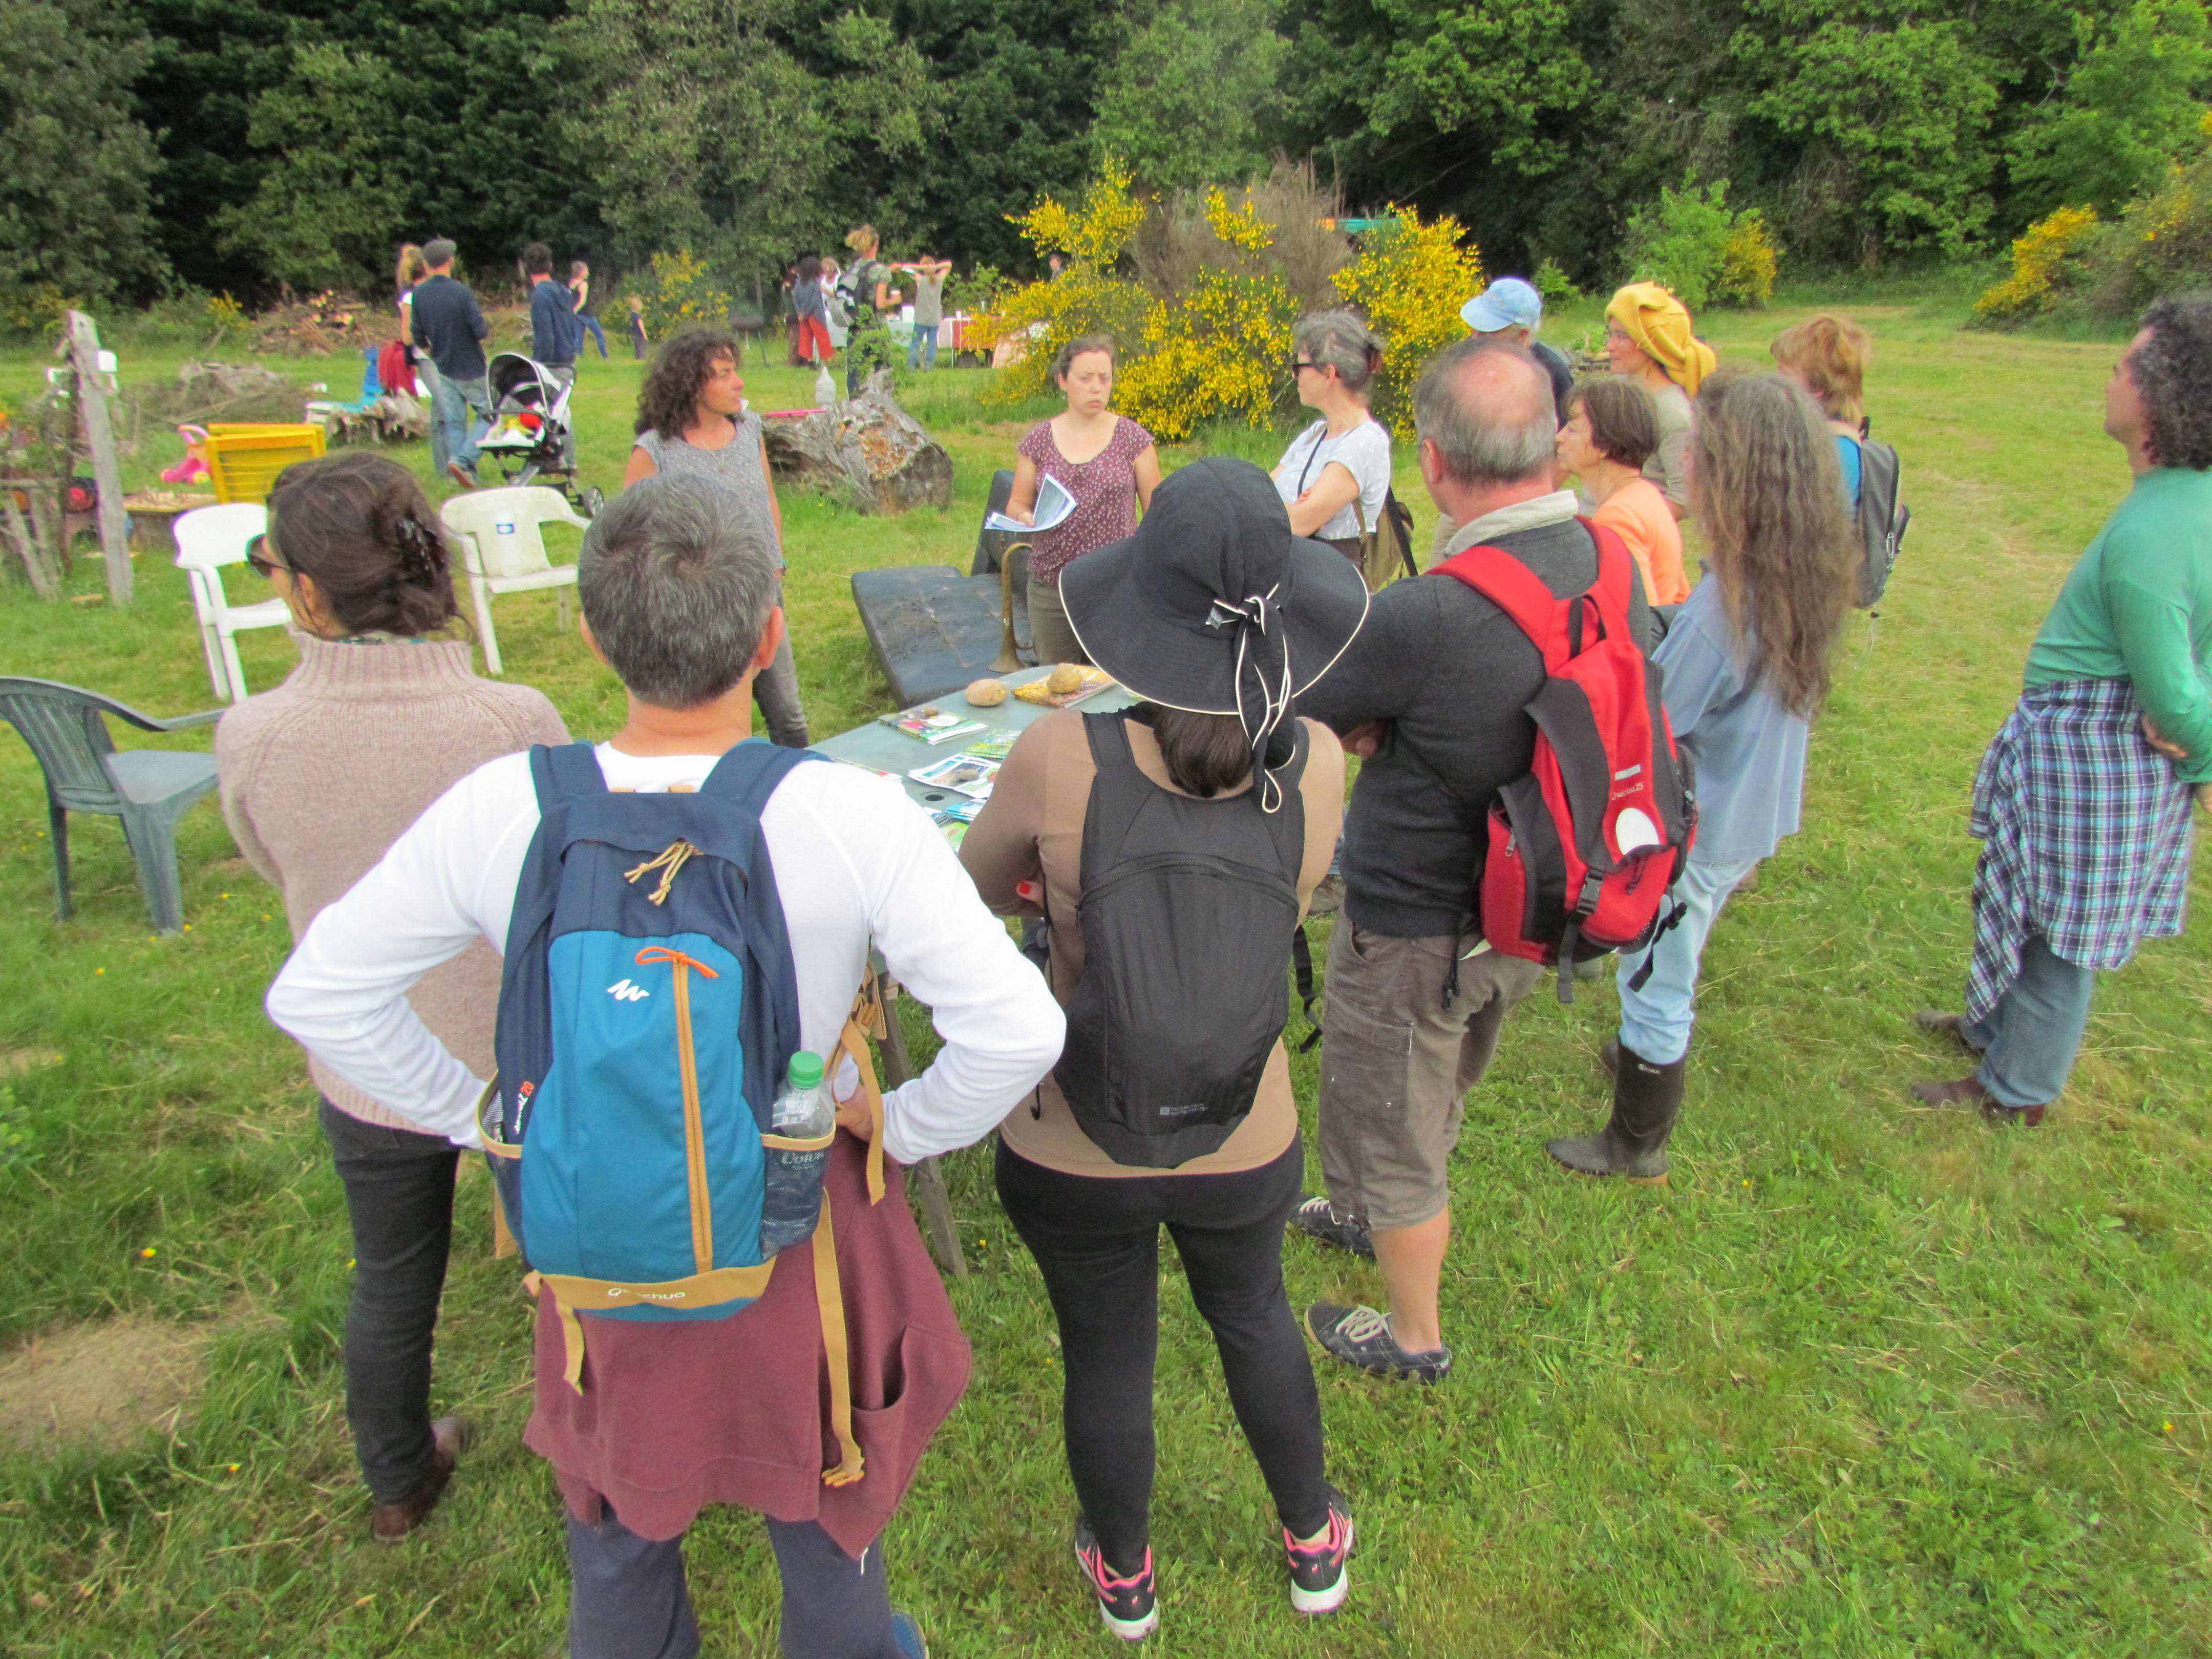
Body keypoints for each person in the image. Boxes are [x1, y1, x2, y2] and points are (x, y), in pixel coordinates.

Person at [266, 474, 1066, 1659]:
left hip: (594, 1230)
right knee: (827, 1505)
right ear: (769, 635)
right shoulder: (849, 814)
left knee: (614, 1530)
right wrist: (899, 1123)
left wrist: (483, 1119)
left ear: (594, 638)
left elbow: (319, 993)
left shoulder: (503, 808)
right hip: (799, 1223)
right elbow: (1018, 1028)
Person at [960, 458, 1365, 1640]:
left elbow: (975, 887)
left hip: (1071, 1138)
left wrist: (1056, 891)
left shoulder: (1055, 756)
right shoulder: (1320, 760)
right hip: (1246, 1126)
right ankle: (1310, 1539)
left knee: (1107, 1351)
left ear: (1140, 610)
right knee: (1254, 1312)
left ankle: (1126, 1572)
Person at [218, 452, 568, 1543]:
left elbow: (275, 866)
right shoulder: (513, 719)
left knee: (392, 1277)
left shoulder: (255, 736)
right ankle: (598, 1450)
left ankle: (399, 1480)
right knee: (571, 1268)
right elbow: (568, 876)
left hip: (368, 1057)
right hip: (515, 1057)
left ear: (305, 589)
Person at [1290, 340, 1654, 1382]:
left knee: (1396, 1116)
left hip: (1420, 918)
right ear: (1552, 445)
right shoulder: (1612, 561)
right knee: (1428, 1081)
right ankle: (1366, 1206)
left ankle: (1414, 1334)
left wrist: (1385, 726)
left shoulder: (1430, 613)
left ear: (1435, 462)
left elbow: (1312, 712)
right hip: (1535, 897)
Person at [1911, 296, 2212, 1128]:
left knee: (2056, 932)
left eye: (2122, 367)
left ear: (2160, 396)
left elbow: (2173, 692)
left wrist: (2200, 751)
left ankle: (2018, 1091)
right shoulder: (2185, 499)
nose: (2109, 378)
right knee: (2027, 898)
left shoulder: (2157, 532)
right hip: (2087, 748)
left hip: (2099, 755)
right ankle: (1994, 1033)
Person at [1545, 373, 1855, 1180]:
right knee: (1675, 945)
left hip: (1701, 822)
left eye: (1700, 454)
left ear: (1735, 473)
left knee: (1658, 971)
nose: (1686, 467)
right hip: (1754, 806)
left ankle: (1637, 1139)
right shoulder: (1797, 574)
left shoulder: (1727, 608)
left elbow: (1657, 719)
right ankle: (1639, 1053)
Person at [623, 328, 810, 749]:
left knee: (787, 712)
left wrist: (776, 563)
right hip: (697, 606)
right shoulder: (656, 450)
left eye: (735, 371)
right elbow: (630, 535)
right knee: (712, 717)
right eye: (724, 375)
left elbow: (768, 500)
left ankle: (796, 778)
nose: (739, 383)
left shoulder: (750, 430)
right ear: (691, 385)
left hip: (761, 593)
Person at [1006, 335, 1161, 666]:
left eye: (1104, 379)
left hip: (1116, 587)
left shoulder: (1134, 440)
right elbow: (1017, 502)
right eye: (1085, 378)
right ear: (1063, 380)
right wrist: (1024, 517)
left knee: (1113, 683)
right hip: (1053, 587)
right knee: (1056, 683)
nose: (1096, 388)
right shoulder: (1038, 441)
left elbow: (1157, 514)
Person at [1271, 310, 1392, 565]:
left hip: (1330, 582)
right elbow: (1262, 492)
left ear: (1328, 374)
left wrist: (1294, 510)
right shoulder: (1314, 435)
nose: (1294, 376)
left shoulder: (1366, 442)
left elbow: (1300, 522)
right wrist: (1291, 508)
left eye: (1299, 367)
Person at [1557, 378, 1689, 606]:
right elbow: (1680, 594)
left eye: (1573, 429)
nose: (1559, 437)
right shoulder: (1645, 495)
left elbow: (1640, 614)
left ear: (1604, 445)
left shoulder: (1618, 517)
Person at [1604, 283, 1716, 522]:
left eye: (1621, 336)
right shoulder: (1618, 391)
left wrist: (1629, 528)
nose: (1609, 346)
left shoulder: (1671, 411)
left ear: (1653, 344)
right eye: (1611, 334)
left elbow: (1684, 497)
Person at [411, 239, 494, 491]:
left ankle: (461, 476)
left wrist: (434, 353)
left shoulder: (419, 294)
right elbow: (480, 331)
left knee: (455, 422)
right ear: (450, 261)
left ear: (427, 264)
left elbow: (417, 335)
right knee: (489, 415)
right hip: (470, 366)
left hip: (443, 366)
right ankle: (464, 461)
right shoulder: (461, 292)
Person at [1771, 313, 1874, 508]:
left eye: (1784, 372)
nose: (1773, 379)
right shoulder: (1808, 434)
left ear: (1818, 387)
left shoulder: (1835, 451)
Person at [1461, 276, 1575, 424]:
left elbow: (1569, 432)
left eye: (1488, 331)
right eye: (1476, 326)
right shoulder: (1465, 357)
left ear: (1523, 335)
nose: (1475, 337)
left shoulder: (1554, 374)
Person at [839, 226, 901, 397]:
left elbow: (865, 278)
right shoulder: (881, 271)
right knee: (883, 369)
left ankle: (854, 404)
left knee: (855, 370)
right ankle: (882, 402)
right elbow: (880, 304)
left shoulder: (852, 268)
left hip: (855, 326)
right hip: (876, 327)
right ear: (876, 244)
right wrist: (894, 300)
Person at [901, 254, 951, 371]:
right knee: (932, 344)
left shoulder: (920, 279)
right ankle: (929, 367)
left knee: (915, 343)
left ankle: (911, 366)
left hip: (921, 318)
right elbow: (949, 265)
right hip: (935, 318)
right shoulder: (940, 278)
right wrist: (935, 267)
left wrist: (921, 268)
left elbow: (905, 268)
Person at [792, 254, 833, 367]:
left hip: (802, 315)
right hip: (815, 314)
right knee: (822, 337)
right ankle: (826, 362)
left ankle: (810, 361)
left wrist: (800, 313)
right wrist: (806, 313)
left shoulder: (799, 281)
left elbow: (795, 298)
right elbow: (815, 301)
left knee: (806, 338)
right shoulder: (816, 282)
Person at [570, 261, 610, 360]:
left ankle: (578, 357)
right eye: (586, 270)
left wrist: (572, 311)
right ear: (581, 272)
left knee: (579, 337)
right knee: (599, 335)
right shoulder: (583, 284)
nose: (588, 272)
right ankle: (605, 356)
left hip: (577, 315)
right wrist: (575, 310)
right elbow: (582, 301)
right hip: (586, 314)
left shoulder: (572, 283)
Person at [627, 293, 648, 361]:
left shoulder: (632, 315)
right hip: (640, 334)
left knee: (637, 347)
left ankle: (637, 358)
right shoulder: (638, 316)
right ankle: (641, 358)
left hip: (635, 334)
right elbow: (640, 324)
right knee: (642, 347)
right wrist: (644, 334)